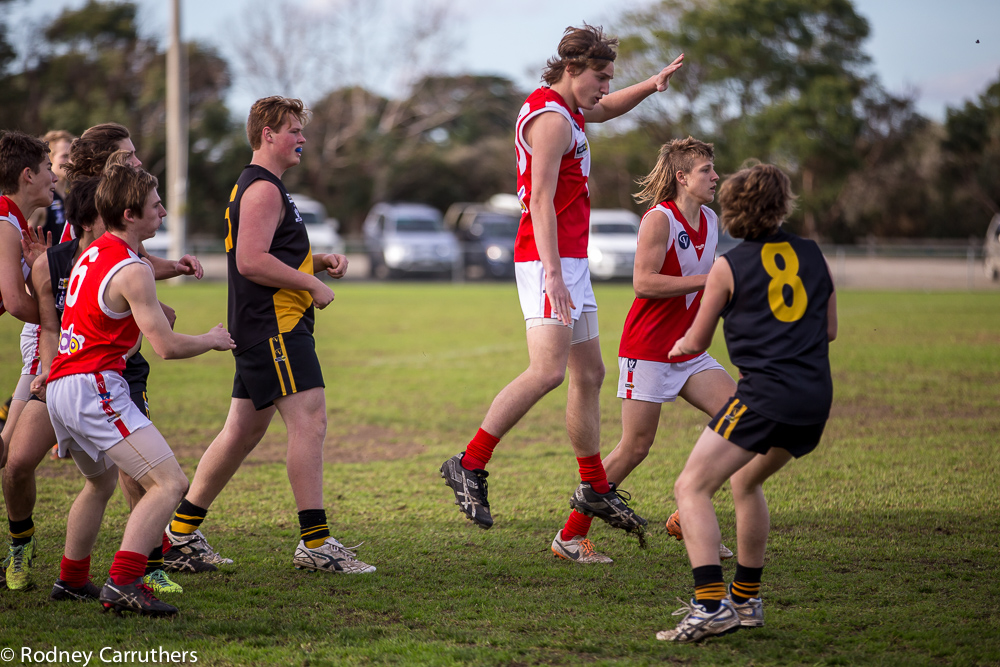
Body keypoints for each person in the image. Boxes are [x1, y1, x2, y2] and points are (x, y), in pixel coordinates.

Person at [439, 25, 683, 539]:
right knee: (548, 371)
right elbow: (542, 200)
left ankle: (594, 485)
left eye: (609, 77)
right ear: (572, 70)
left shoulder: (567, 108)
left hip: (568, 260)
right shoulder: (551, 119)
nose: (604, 86)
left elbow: (609, 109)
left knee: (589, 374)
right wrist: (552, 271)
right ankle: (469, 462)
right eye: (600, 76)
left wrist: (650, 84)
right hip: (544, 259)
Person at [165, 96, 374, 576]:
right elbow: (250, 262)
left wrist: (316, 261)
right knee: (310, 419)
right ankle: (316, 543)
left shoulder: (266, 188)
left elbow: (266, 251)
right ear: (267, 134)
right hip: (273, 325)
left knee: (243, 430)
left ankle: (179, 534)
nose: (302, 139)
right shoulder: (262, 189)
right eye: (294, 130)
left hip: (265, 324)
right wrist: (313, 283)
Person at [655, 163, 837, 643]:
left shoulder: (728, 265)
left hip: (764, 397)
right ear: (782, 207)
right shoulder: (813, 253)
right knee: (745, 481)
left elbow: (695, 341)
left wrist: (676, 350)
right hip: (815, 399)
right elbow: (830, 330)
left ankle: (711, 604)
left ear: (734, 212)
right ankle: (746, 599)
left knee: (691, 487)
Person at [43, 158, 234, 615]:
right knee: (169, 483)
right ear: (130, 214)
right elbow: (165, 348)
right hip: (93, 387)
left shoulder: (92, 251)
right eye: (155, 205)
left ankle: (71, 580)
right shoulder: (133, 268)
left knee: (99, 485)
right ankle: (124, 582)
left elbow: (104, 328)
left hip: (62, 386)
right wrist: (210, 339)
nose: (164, 212)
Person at [551, 137, 738, 564]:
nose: (715, 176)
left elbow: (704, 284)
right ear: (682, 177)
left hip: (688, 350)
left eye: (713, 169)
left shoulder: (709, 219)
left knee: (744, 420)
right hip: (649, 349)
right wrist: (712, 280)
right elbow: (645, 283)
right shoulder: (659, 219)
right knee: (635, 447)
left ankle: (689, 516)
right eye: (706, 170)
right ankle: (570, 537)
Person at [0, 130, 55, 479]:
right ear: (28, 174)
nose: (54, 176)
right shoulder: (5, 220)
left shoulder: (17, 223)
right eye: (48, 167)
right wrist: (68, 320)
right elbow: (16, 302)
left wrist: (40, 268)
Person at [28, 130, 75, 243]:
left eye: (72, 157)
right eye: (64, 156)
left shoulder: (72, 198)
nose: (70, 162)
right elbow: (21, 244)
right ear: (49, 158)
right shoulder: (40, 203)